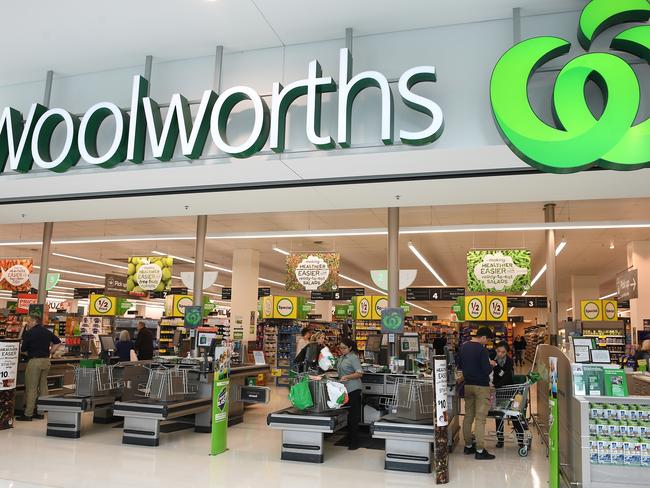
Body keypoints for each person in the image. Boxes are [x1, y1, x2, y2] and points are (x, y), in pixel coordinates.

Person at [458, 326, 496, 460]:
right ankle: (480, 450)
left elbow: (460, 365)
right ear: (483, 337)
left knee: (468, 416)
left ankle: (468, 446)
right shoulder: (482, 349)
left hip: (468, 385)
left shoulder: (464, 347)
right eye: (487, 340)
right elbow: (486, 370)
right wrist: (491, 364)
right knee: (480, 419)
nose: (487, 343)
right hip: (481, 387)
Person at [17, 316, 62, 421]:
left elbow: (23, 350)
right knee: (43, 387)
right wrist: (51, 352)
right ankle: (41, 412)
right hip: (46, 361)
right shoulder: (47, 331)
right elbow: (58, 342)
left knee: (31, 388)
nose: (27, 324)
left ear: (34, 321)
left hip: (35, 361)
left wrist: (29, 353)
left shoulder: (29, 333)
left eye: (29, 322)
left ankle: (28, 414)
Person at [492, 342, 525, 448]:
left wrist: (496, 386)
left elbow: (506, 377)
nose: (500, 354)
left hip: (509, 390)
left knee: (513, 415)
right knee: (499, 415)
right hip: (499, 392)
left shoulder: (509, 361)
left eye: (503, 352)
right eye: (498, 351)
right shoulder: (493, 359)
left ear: (507, 352)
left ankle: (521, 439)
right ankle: (500, 439)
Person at [337, 338, 364, 450]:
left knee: (353, 417)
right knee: (346, 416)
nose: (342, 350)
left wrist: (347, 377)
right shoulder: (342, 357)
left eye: (344, 348)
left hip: (353, 389)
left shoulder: (353, 357)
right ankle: (348, 439)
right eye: (340, 348)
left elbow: (360, 373)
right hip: (344, 390)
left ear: (350, 348)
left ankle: (354, 443)